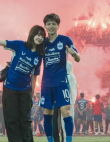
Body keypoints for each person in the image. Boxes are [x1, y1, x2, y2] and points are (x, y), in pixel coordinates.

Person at [0, 25, 45, 142]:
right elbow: (1, 42)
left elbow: (34, 77)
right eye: (38, 34)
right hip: (10, 88)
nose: (39, 37)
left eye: (42, 36)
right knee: (11, 119)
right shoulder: (20, 45)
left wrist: (31, 94)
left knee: (25, 120)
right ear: (32, 34)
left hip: (25, 90)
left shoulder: (39, 56)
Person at [39, 13, 80, 142]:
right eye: (48, 24)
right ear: (45, 26)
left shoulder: (65, 40)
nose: (51, 26)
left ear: (58, 25)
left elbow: (78, 59)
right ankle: (50, 141)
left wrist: (74, 54)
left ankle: (68, 140)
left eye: (53, 24)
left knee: (66, 112)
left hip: (62, 83)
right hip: (46, 84)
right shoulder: (42, 43)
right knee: (47, 115)